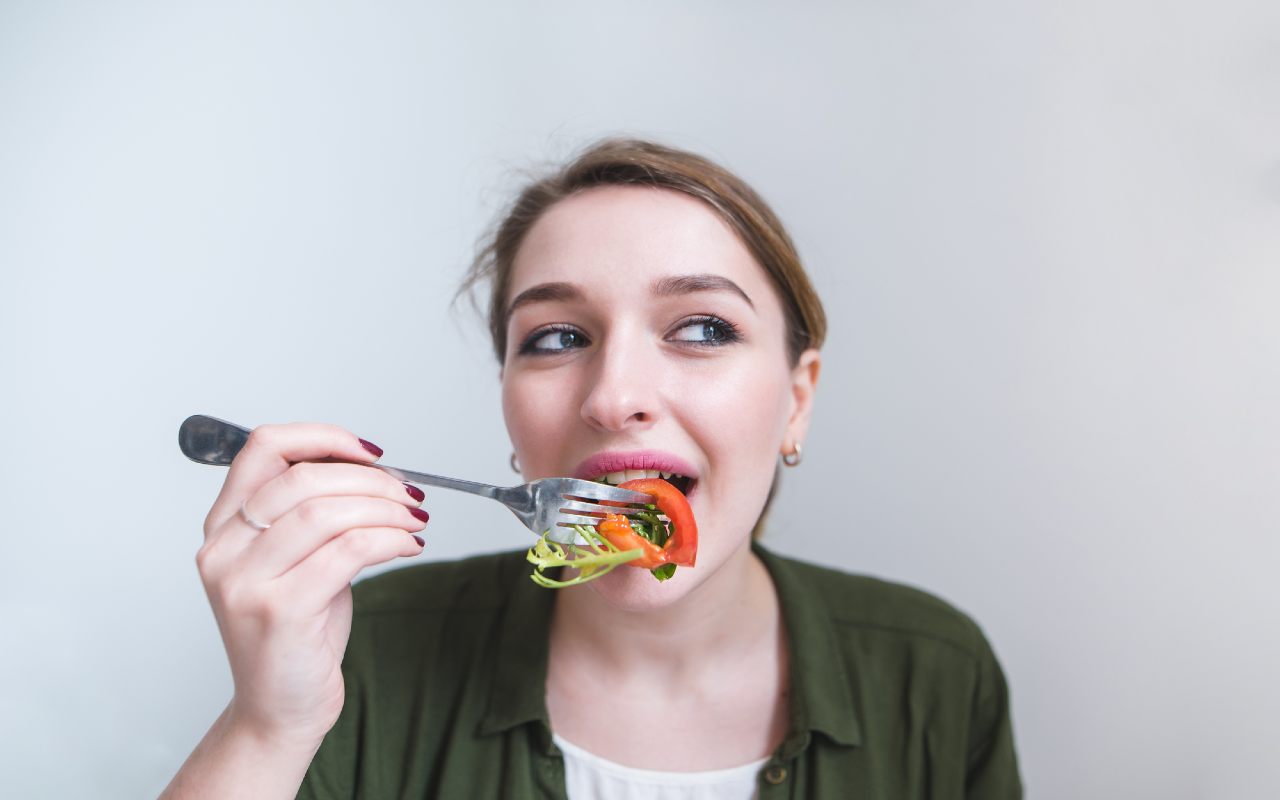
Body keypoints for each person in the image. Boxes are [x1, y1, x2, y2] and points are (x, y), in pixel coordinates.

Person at [161, 139, 1022, 799]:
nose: (614, 396)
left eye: (703, 328)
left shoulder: (937, 674)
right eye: (558, 338)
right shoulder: (363, 657)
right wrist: (269, 727)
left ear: (797, 399)